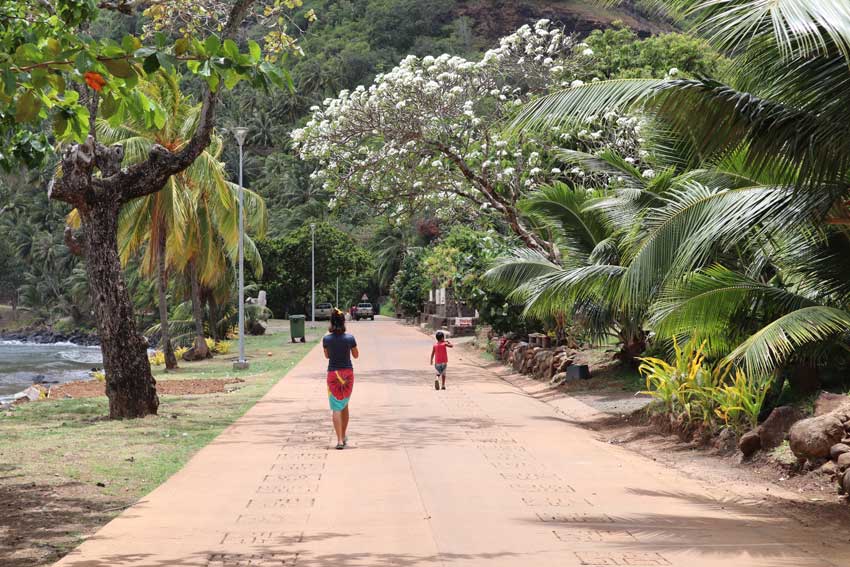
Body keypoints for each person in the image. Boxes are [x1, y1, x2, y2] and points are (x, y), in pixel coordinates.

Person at [323, 309, 359, 449]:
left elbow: (327, 356)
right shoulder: (350, 338)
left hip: (333, 374)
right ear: (343, 322)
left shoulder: (326, 339)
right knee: (344, 404)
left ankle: (339, 440)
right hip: (347, 375)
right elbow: (356, 355)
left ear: (331, 322)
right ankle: (343, 436)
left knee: (335, 407)